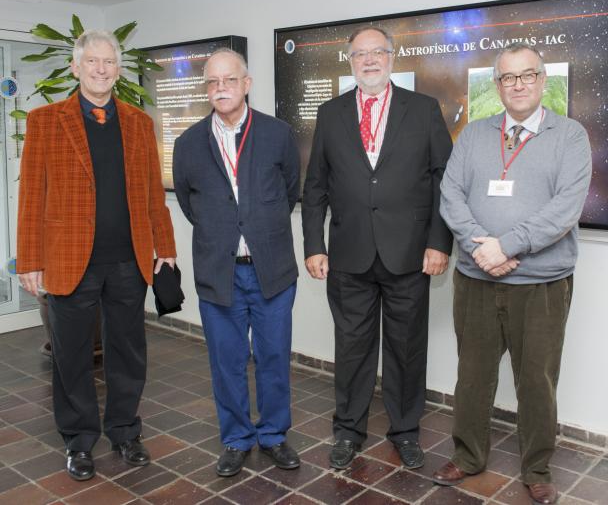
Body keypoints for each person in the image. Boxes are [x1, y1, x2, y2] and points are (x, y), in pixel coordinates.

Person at [434, 43, 592, 505]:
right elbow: (451, 196)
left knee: (537, 381)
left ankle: (537, 467)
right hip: (477, 280)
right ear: (497, 85)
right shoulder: (473, 134)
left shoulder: (570, 136)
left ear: (543, 81)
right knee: (472, 375)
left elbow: (565, 208)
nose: (518, 85)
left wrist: (506, 245)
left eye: (527, 76)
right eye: (508, 77)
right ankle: (467, 457)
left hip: (541, 284)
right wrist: (484, 248)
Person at [17, 30, 176, 481]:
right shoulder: (46, 120)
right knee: (71, 355)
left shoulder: (139, 123)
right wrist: (29, 259)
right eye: (92, 62)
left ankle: (125, 431)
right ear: (76, 67)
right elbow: (31, 195)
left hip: (129, 260)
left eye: (109, 62)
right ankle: (79, 440)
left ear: (118, 69)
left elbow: (150, 195)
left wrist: (164, 247)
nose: (101, 69)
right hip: (69, 260)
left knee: (129, 352)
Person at [302, 26, 453, 470]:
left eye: (377, 53)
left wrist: (438, 242)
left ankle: (405, 431)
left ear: (392, 57)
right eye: (360, 54)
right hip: (348, 255)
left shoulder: (423, 110)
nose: (369, 61)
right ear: (349, 61)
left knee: (407, 349)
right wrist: (314, 244)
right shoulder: (330, 114)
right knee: (351, 348)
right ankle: (348, 431)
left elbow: (444, 181)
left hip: (409, 255)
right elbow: (316, 188)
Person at [172, 48, 300, 477]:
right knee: (226, 361)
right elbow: (192, 203)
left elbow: (290, 191)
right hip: (218, 271)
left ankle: (274, 435)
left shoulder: (278, 134)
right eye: (212, 82)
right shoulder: (188, 143)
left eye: (229, 80)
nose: (220, 88)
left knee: (273, 357)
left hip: (272, 271)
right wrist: (225, 231)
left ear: (246, 84)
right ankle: (236, 438)